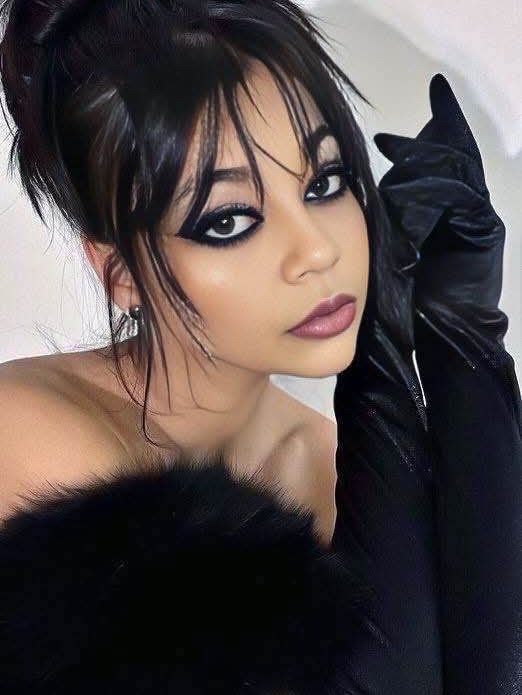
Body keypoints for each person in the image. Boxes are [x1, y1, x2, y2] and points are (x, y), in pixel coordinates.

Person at [0, 1, 519, 694]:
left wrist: (463, 338)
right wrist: (382, 368)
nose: (317, 250)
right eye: (229, 221)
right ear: (122, 274)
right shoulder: (29, 444)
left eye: (325, 183)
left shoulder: (328, 460)